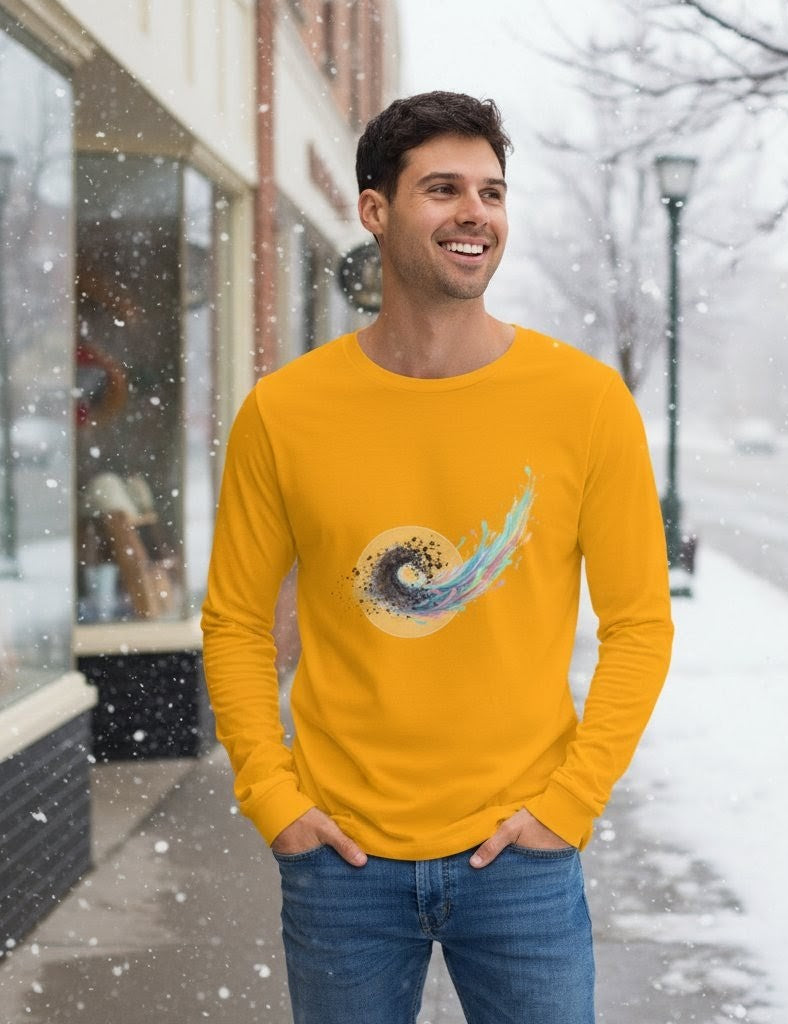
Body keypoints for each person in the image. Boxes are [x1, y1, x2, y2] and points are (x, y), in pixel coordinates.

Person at [201, 90, 674, 1024]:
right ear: (375, 210)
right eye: (444, 189)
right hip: (341, 862)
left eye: (492, 193)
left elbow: (639, 625)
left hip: (523, 860)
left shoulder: (584, 402)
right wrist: (273, 795)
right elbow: (237, 621)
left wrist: (570, 804)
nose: (476, 214)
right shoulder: (286, 412)